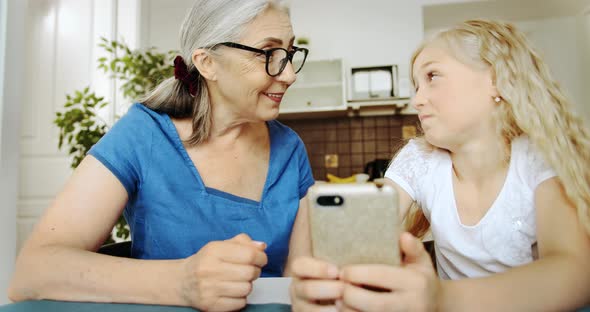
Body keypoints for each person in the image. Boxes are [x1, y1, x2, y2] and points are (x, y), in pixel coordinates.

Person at [9, 0, 314, 311]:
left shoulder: (290, 149)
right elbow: (33, 271)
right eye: (270, 54)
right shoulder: (143, 135)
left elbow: (298, 286)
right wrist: (183, 282)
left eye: (289, 54)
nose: (289, 75)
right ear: (206, 62)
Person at [290, 19, 590, 311]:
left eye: (432, 77)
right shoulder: (420, 157)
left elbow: (574, 272)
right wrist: (321, 284)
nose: (417, 99)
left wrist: (442, 298)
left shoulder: (539, 156)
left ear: (496, 80)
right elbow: (361, 233)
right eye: (415, 86)